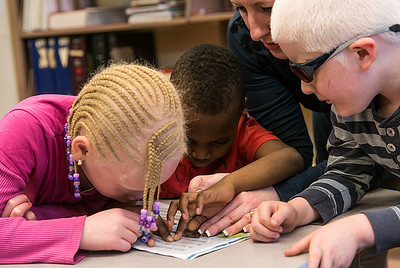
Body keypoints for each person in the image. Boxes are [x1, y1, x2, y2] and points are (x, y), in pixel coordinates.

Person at [249, 0, 400, 267]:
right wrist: (298, 209)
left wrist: (360, 229)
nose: (305, 89)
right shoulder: (355, 103)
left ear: (362, 54)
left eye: (306, 71)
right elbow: (347, 172)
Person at [169, 0, 332, 238]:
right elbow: (305, 156)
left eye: (267, 8)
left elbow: (354, 164)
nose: (254, 32)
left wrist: (273, 193)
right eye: (240, 8)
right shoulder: (244, 35)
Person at [0, 63, 186, 264]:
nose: (140, 200)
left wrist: (42, 216)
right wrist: (83, 231)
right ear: (82, 150)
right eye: (128, 190)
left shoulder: (127, 147)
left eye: (151, 189)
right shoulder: (23, 132)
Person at [162, 43, 304, 238]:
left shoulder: (243, 132)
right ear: (170, 110)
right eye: (188, 139)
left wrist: (230, 184)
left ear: (240, 111)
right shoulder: (158, 136)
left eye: (219, 142)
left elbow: (291, 158)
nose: (200, 154)